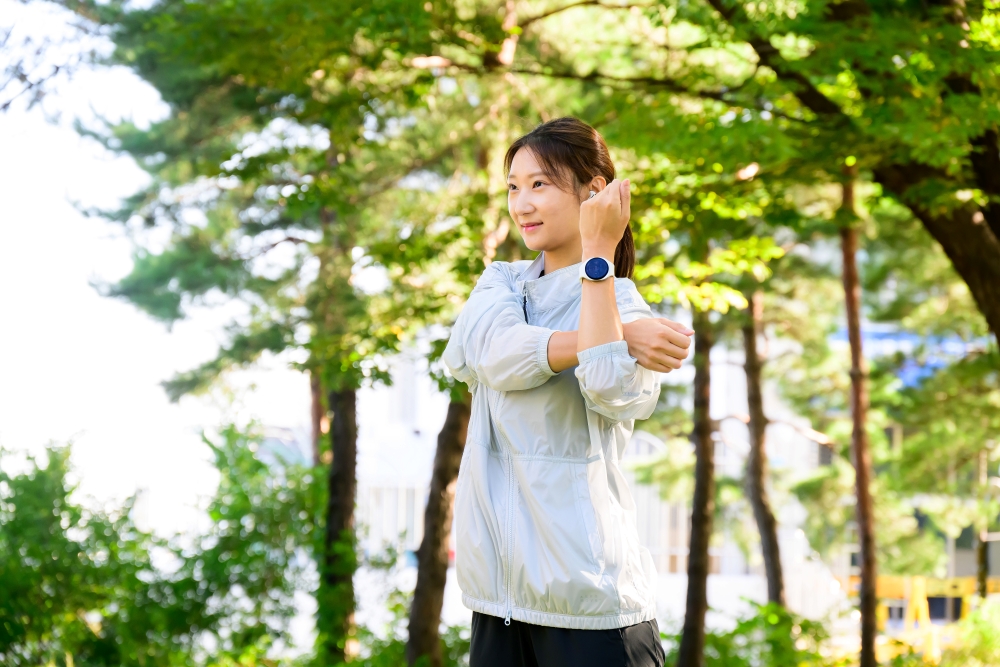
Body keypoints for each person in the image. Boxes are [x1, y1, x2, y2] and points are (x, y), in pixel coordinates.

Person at [443, 117, 693, 667]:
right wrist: (614, 339)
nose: (522, 203)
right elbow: (494, 354)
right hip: (499, 608)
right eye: (514, 187)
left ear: (592, 192)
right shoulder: (502, 282)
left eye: (540, 184)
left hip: (594, 607)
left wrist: (599, 254)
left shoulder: (622, 303)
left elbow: (610, 386)